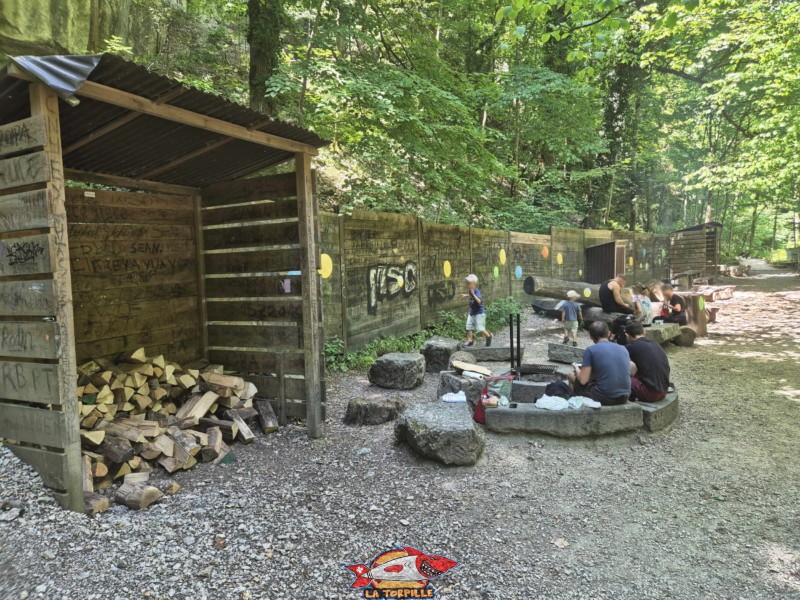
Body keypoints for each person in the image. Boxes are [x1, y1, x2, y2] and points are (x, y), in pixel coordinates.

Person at [568, 322, 632, 405]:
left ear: (591, 337)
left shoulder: (591, 350)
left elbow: (583, 380)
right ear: (609, 333)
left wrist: (576, 368)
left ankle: (575, 404)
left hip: (605, 397)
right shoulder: (623, 348)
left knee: (571, 375)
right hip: (624, 397)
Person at [625, 322, 670, 402]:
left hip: (650, 394)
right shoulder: (654, 343)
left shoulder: (630, 346)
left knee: (621, 377)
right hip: (664, 390)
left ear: (627, 335)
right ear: (644, 332)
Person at [461, 274, 492, 347]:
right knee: (468, 326)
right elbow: (471, 295)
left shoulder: (476, 291)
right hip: (472, 312)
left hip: (479, 313)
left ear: (473, 284)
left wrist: (473, 294)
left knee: (480, 328)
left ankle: (488, 336)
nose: (467, 285)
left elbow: (479, 301)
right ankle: (470, 341)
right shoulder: (470, 290)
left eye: (469, 283)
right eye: (467, 283)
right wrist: (466, 295)